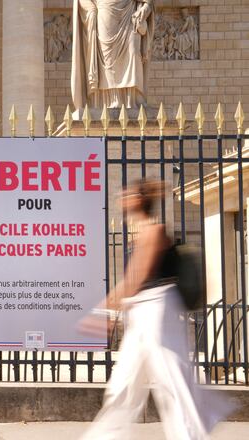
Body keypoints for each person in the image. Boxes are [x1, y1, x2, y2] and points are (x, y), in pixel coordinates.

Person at [78, 180, 233, 439]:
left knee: (171, 381)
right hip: (142, 311)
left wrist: (103, 311)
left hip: (158, 310)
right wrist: (109, 309)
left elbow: (137, 279)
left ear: (139, 199)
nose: (120, 199)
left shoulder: (154, 231)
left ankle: (190, 435)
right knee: (123, 385)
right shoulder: (141, 233)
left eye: (125, 195)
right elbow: (131, 281)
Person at [72, 0, 155, 113]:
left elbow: (149, 2)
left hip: (129, 14)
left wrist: (145, 10)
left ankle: (134, 99)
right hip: (105, 14)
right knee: (108, 61)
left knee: (134, 53)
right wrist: (91, 10)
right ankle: (109, 101)